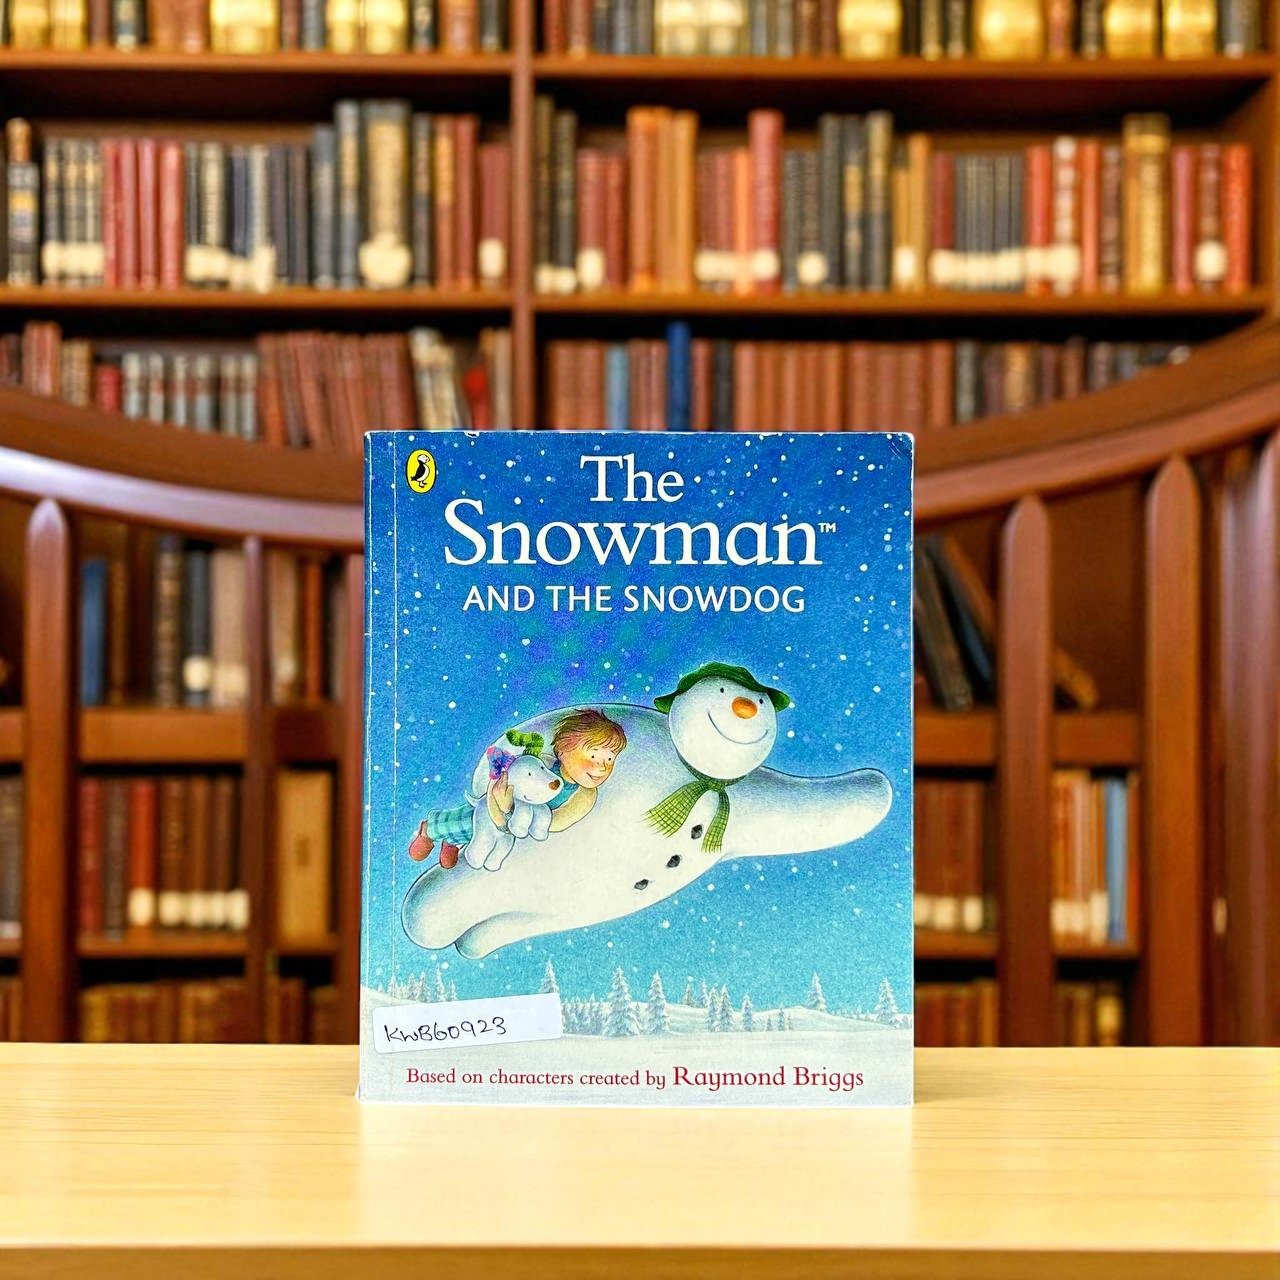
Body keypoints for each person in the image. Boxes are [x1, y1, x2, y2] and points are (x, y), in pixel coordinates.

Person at [489, 708, 626, 836]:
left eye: (610, 759)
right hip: (493, 816)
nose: (603, 767)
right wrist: (500, 817)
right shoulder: (542, 762)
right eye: (593, 756)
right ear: (562, 751)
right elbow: (497, 782)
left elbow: (550, 824)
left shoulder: (586, 796)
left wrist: (508, 810)